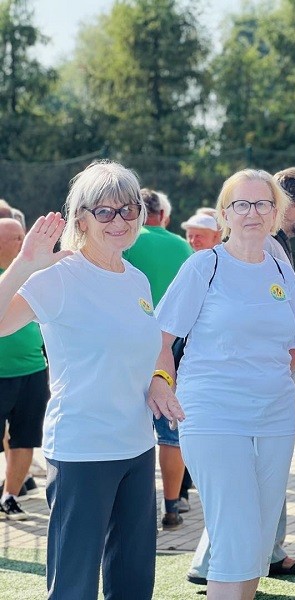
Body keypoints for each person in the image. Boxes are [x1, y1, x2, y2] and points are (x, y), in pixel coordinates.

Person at [0, 160, 160, 598]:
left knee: (133, 583)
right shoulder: (59, 276)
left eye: (128, 209)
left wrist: (159, 379)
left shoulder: (137, 279)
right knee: (74, 585)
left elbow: (144, 351)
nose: (118, 220)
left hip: (137, 446)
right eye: (104, 211)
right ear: (81, 219)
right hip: (83, 451)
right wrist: (24, 264)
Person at [150, 168, 295, 600]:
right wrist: (162, 381)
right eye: (242, 204)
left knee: (258, 539)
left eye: (263, 204)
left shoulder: (281, 268)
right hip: (213, 414)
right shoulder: (205, 265)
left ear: (275, 212)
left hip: (276, 416)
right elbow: (161, 337)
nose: (252, 212)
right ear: (225, 213)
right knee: (235, 533)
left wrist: (274, 383)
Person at [124, 188, 193, 529]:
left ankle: (131, 502)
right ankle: (173, 504)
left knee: (129, 419)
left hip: (129, 340)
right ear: (163, 215)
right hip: (171, 344)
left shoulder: (127, 242)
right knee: (169, 427)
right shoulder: (182, 246)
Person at [0, 217, 48, 521]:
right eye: (17, 238)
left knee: (25, 438)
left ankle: (10, 496)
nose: (24, 242)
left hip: (32, 370)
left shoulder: (33, 274)